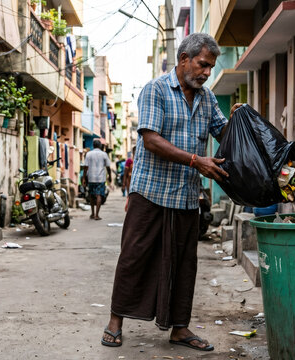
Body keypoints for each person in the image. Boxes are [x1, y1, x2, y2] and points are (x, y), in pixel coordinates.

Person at [101, 33, 242, 351]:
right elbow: (150, 139)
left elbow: (224, 133)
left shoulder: (206, 99)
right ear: (183, 59)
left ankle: (180, 328)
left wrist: (239, 119)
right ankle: (115, 322)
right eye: (203, 64)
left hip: (186, 196)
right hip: (149, 192)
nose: (207, 72)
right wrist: (195, 160)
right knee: (134, 258)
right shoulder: (156, 90)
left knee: (184, 264)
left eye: (210, 67)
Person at [82, 139, 111, 220]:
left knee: (91, 195)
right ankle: (97, 215)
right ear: (100, 146)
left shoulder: (89, 154)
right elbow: (108, 166)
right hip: (101, 178)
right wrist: (110, 176)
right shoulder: (104, 154)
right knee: (99, 195)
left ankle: (92, 213)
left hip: (91, 178)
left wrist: (84, 178)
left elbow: (85, 167)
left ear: (93, 146)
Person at [122, 146, 136, 210]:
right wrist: (124, 184)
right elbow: (125, 174)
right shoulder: (129, 161)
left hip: (136, 182)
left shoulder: (141, 161)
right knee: (130, 197)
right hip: (130, 182)